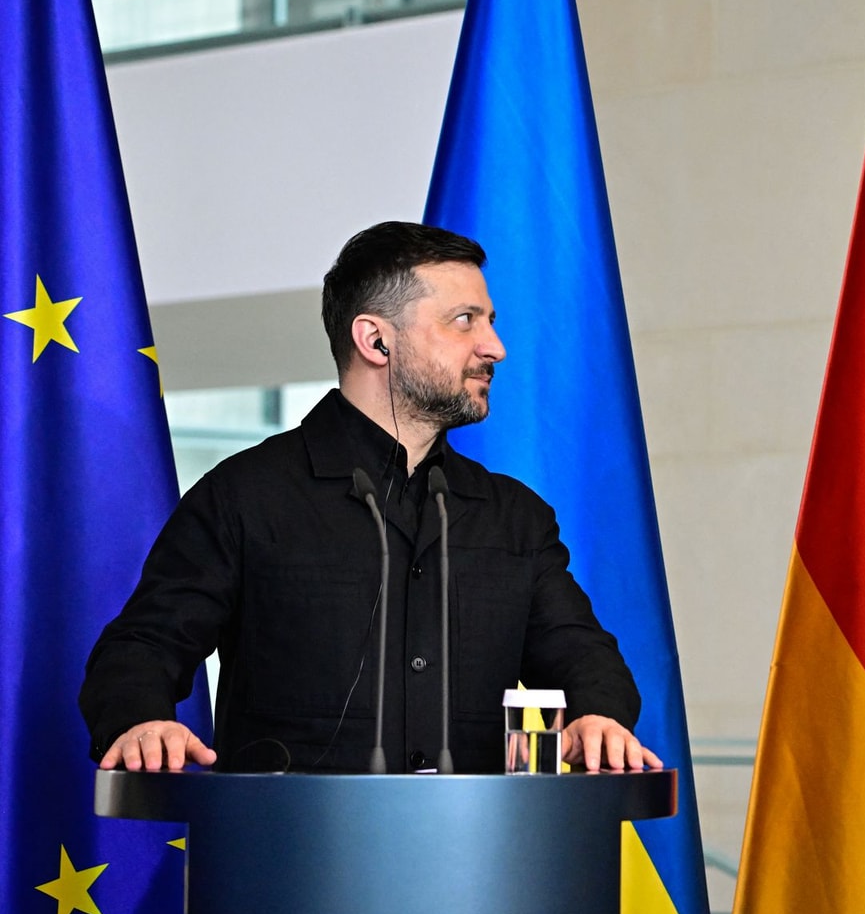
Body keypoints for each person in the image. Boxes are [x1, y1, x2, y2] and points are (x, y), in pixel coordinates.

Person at [80, 221, 659, 775]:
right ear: (376, 339)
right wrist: (141, 720)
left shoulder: (514, 517)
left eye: (490, 322)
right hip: (286, 858)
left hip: (481, 860)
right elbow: (143, 647)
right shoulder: (246, 496)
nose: (495, 347)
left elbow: (584, 656)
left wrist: (597, 714)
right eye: (465, 321)